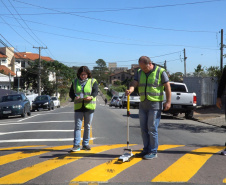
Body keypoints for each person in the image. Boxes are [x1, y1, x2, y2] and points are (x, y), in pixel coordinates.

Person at [125, 56, 171, 160]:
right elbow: (135, 82)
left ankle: (153, 151)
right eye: (142, 68)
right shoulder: (139, 72)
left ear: (150, 63)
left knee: (152, 128)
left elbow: (167, 86)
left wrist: (168, 101)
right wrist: (131, 89)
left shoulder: (160, 71)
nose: (144, 70)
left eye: (145, 68)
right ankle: (146, 149)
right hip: (143, 104)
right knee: (143, 129)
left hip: (155, 104)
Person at [69, 66, 98, 152]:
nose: (83, 76)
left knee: (87, 126)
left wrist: (91, 97)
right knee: (77, 126)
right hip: (78, 107)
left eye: (85, 74)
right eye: (81, 75)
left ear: (88, 74)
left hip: (89, 107)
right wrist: (75, 97)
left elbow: (95, 91)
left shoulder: (93, 81)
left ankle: (85, 144)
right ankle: (76, 145)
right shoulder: (74, 82)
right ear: (79, 74)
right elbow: (71, 93)